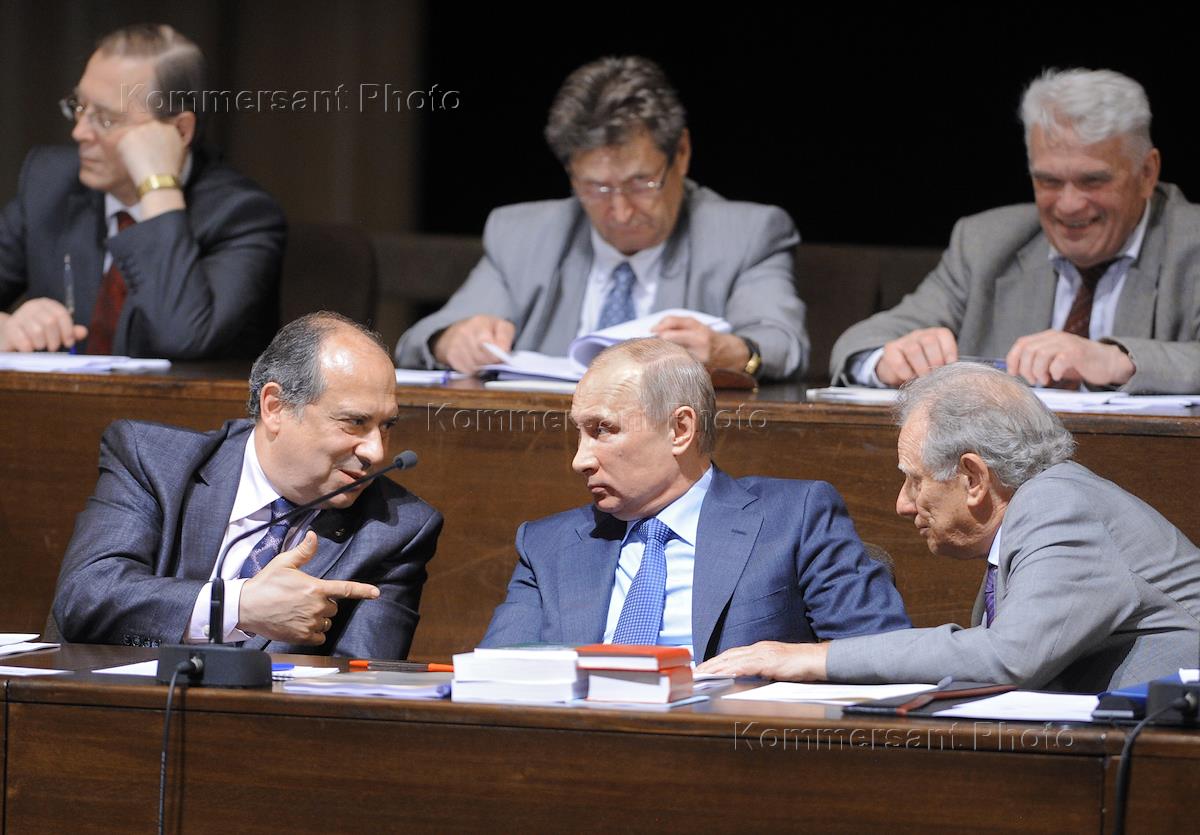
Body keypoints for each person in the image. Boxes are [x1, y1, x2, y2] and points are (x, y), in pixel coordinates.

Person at [698, 363, 1200, 692]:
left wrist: (811, 659)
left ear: (973, 477)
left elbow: (1008, 658)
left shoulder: (1058, 505)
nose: (902, 504)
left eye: (915, 480)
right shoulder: (1040, 511)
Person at [481, 339, 909, 659]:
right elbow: (495, 682)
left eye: (603, 430)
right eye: (579, 433)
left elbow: (883, 656)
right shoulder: (547, 545)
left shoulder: (793, 518)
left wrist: (786, 661)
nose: (580, 460)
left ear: (679, 429)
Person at [51, 312, 442, 659]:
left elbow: (359, 685)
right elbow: (86, 597)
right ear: (275, 407)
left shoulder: (395, 528)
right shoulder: (154, 462)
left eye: (386, 426)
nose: (376, 452)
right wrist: (237, 606)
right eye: (355, 422)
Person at [395, 56, 808, 381]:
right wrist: (452, 341)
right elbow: (423, 339)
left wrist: (729, 352)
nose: (621, 211)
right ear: (570, 172)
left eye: (641, 183)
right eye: (596, 188)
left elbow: (782, 343)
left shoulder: (746, 235)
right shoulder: (522, 235)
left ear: (681, 153)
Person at [830, 68, 1200, 394]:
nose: (1069, 205)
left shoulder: (1190, 241)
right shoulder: (985, 243)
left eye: (1093, 181)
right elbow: (856, 344)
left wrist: (1117, 361)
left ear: (1147, 173)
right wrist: (888, 360)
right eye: (1049, 181)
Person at [0, 23, 285, 358]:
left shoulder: (242, 216)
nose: (79, 132)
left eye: (106, 119)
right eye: (79, 106)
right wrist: (5, 326)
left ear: (179, 130)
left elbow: (182, 337)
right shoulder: (50, 183)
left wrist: (158, 185)